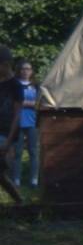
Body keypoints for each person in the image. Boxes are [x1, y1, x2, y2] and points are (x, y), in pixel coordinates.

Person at [4, 56, 38, 195]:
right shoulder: (14, 85)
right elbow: (11, 102)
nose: (26, 71)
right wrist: (28, 103)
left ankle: (34, 180)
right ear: (19, 70)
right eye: (23, 69)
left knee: (33, 152)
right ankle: (16, 180)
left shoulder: (36, 86)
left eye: (28, 69)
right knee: (17, 153)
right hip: (17, 123)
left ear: (31, 71)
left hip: (32, 122)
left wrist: (25, 103)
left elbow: (39, 103)